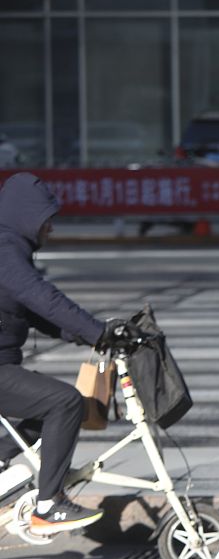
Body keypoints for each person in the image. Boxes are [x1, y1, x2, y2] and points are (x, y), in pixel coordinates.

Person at [0, 173, 134, 533]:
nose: (51, 228)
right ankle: (49, 505)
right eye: (46, 219)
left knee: (46, 406)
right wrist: (96, 331)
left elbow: (34, 314)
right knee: (65, 402)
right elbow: (44, 299)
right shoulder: (5, 251)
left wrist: (92, 336)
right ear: (27, 216)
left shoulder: (9, 249)